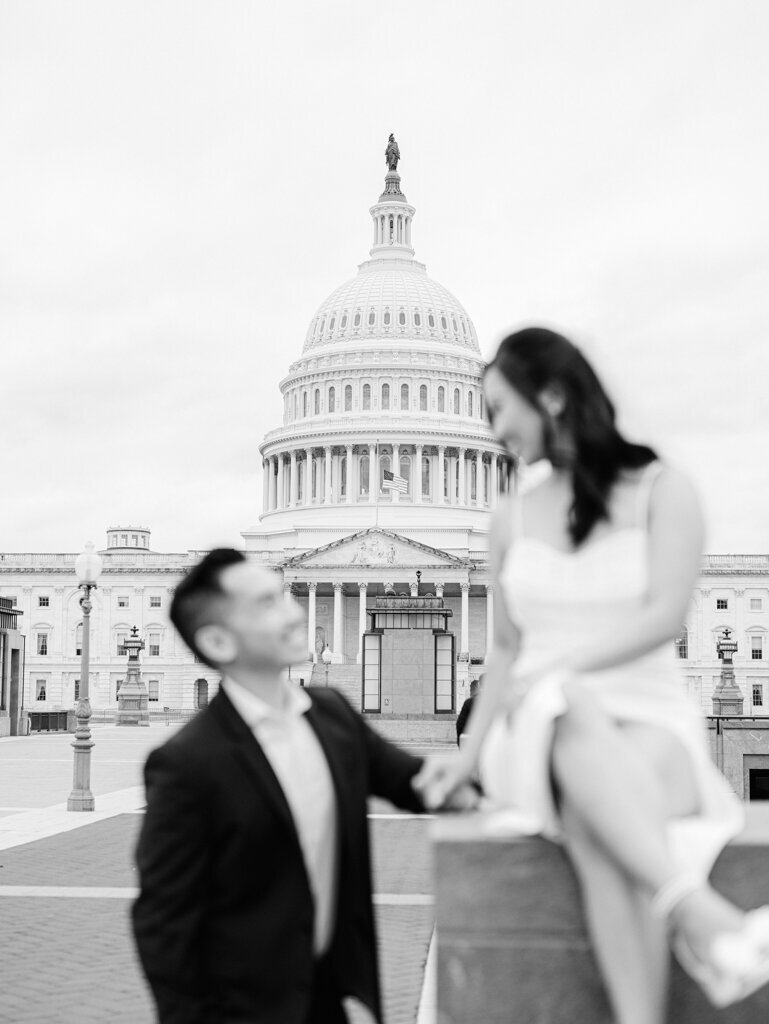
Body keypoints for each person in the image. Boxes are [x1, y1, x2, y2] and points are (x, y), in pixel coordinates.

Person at [415, 327, 769, 1023]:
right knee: (560, 705)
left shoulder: (665, 491)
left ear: (549, 395)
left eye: (496, 409)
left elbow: (666, 615)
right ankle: (698, 914)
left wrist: (560, 669)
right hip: (538, 726)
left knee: (595, 811)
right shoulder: (507, 518)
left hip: (648, 713)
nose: (492, 432)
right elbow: (507, 653)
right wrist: (466, 759)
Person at [132, 550, 475, 1024]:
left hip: (327, 999)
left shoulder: (331, 714)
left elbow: (416, 782)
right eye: (268, 603)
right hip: (239, 1009)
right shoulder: (186, 763)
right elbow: (163, 920)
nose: (295, 613)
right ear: (217, 639)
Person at [456, 675, 483, 745]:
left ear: (479, 685)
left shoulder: (469, 702)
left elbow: (460, 725)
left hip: (474, 743)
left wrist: (461, 744)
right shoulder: (500, 703)